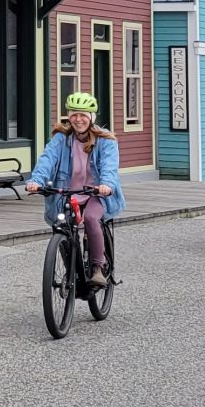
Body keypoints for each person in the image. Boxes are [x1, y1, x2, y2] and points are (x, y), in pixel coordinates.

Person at [25, 92, 125, 289]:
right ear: (68, 116)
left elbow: (109, 168)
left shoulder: (106, 141)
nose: (78, 120)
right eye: (74, 115)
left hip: (95, 193)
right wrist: (36, 180)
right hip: (67, 191)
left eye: (83, 115)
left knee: (90, 219)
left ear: (91, 118)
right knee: (61, 225)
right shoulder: (61, 139)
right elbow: (47, 159)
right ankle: (71, 267)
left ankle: (98, 267)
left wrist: (106, 185)